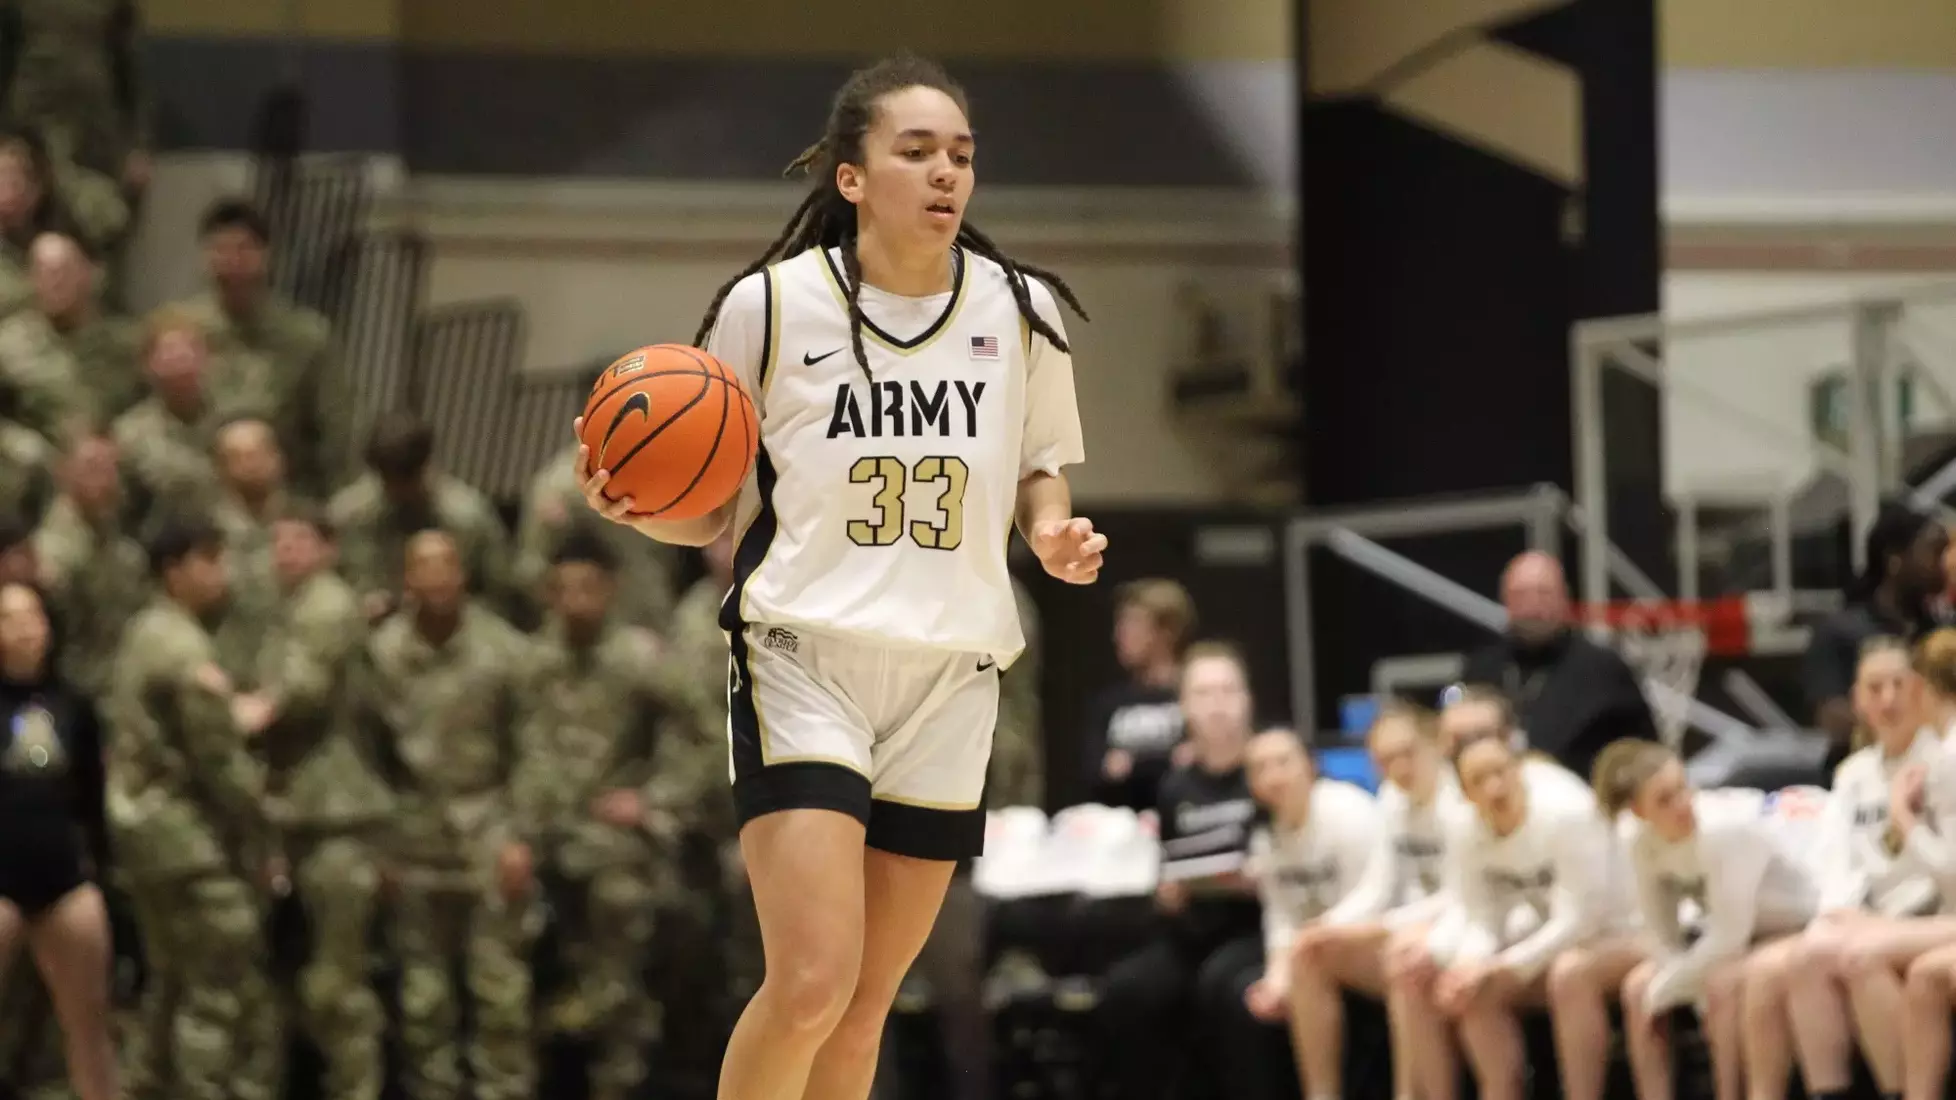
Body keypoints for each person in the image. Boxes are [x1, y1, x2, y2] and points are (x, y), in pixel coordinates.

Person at [573, 54, 1103, 1100]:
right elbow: (716, 512)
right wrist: (630, 504)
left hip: (952, 675)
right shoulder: (769, 309)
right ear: (852, 177)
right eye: (916, 152)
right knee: (810, 982)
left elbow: (1042, 464)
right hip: (803, 661)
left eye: (961, 155)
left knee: (865, 1002)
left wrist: (1050, 534)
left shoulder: (1022, 310)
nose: (946, 172)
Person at [104, 518, 281, 1100]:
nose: (220, 574)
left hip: (144, 833)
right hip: (187, 841)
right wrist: (260, 822)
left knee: (171, 981)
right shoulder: (183, 646)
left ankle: (143, 1087)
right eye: (209, 560)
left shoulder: (145, 629)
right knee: (216, 987)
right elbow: (219, 762)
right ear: (174, 571)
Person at [1391, 696, 1640, 1100]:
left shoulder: (1565, 811)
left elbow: (1581, 919)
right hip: (1558, 935)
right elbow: (1483, 917)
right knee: (1469, 987)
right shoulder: (1465, 827)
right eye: (1479, 781)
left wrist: (1501, 965)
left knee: (1567, 974)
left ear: (1519, 770)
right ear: (1465, 793)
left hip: (1623, 928)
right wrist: (1469, 965)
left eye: (1500, 773)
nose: (1494, 787)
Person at [357, 528, 533, 1100]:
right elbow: (367, 755)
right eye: (422, 568)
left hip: (487, 834)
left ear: (462, 575)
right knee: (423, 1002)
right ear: (407, 579)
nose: (435, 581)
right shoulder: (382, 653)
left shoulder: (503, 650)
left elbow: (531, 749)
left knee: (499, 995)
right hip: (413, 838)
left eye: (445, 567)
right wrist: (379, 844)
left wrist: (519, 836)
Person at [1757, 636, 1942, 1100]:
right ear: (1858, 700)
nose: (1888, 698)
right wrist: (1838, 915)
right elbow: (1837, 862)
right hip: (1876, 915)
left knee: (1858, 958)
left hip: (1933, 912)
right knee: (1810, 956)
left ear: (1919, 689)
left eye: (1898, 684)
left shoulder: (1941, 758)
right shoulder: (1852, 774)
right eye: (1875, 687)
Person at [1593, 738, 1818, 1100]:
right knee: (1637, 988)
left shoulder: (1721, 831)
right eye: (1664, 799)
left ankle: (1727, 1092)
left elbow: (1730, 935)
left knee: (1720, 985)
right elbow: (1659, 930)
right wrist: (1673, 981)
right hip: (1740, 935)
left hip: (1795, 924)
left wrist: (1671, 985)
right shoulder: (1640, 842)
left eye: (1683, 788)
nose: (1683, 804)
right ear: (1638, 810)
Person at [1096, 643, 1262, 1100]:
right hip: (1194, 930)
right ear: (1184, 705)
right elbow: (1168, 865)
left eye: (1228, 690)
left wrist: (1253, 881)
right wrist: (1167, 893)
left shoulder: (1269, 769)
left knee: (1226, 990)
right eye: (1204, 693)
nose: (1218, 704)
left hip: (1259, 928)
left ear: (1247, 699)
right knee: (1129, 989)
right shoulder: (1176, 786)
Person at [1289, 701, 1461, 1100]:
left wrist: (1384, 925)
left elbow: (1460, 897)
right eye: (1386, 760)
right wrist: (1327, 926)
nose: (1399, 768)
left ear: (1438, 742)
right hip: (1408, 927)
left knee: (1402, 956)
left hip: (1461, 930)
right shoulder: (1391, 800)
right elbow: (1377, 887)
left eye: (1407, 753)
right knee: (1309, 953)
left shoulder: (1461, 802)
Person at [0, 580, 117, 1100]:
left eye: (33, 616)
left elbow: (92, 794)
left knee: (90, 1029)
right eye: (9, 618)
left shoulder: (73, 703)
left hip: (64, 879)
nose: (24, 628)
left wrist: (100, 868)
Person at [1235, 725, 1378, 1100]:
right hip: (1319, 945)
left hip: (1377, 933)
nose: (1272, 776)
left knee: (1307, 955)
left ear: (1310, 766)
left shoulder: (1348, 811)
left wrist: (1319, 931)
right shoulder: (1266, 834)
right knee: (1285, 974)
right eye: (1260, 768)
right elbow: (1281, 916)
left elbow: (1377, 895)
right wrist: (1274, 978)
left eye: (1283, 762)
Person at [1460, 551, 1656, 782]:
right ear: (1505, 600)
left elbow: (1646, 754)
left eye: (1543, 593)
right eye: (1521, 594)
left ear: (1564, 598)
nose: (1532, 606)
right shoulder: (1482, 668)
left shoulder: (1604, 669)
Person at [1805, 502, 1950, 758]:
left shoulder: (1941, 633)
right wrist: (1908, 721)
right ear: (1895, 559)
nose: (1942, 564)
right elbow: (1833, 719)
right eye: (1932, 552)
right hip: (1860, 778)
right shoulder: (1840, 631)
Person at [1081, 577, 1194, 809]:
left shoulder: (1196, 695)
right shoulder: (1110, 704)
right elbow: (1096, 773)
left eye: (1132, 624)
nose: (1119, 636)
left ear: (1167, 631)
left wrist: (1132, 764)